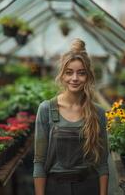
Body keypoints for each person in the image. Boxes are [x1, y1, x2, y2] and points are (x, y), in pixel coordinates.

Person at [33, 38, 109, 195]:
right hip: (55, 188)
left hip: (88, 187)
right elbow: (39, 162)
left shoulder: (98, 113)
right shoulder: (46, 109)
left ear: (88, 76)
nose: (74, 78)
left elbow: (102, 163)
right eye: (69, 72)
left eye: (81, 73)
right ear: (62, 75)